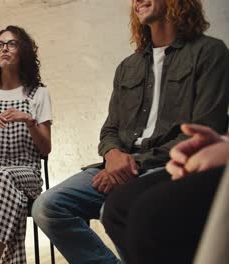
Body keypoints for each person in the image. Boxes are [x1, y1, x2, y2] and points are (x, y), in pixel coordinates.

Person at [31, 0, 228, 263]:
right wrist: (112, 155)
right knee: (47, 207)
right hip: (119, 164)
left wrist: (131, 164)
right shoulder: (127, 67)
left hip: (168, 164)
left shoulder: (210, 52)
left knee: (120, 209)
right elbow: (110, 129)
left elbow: (204, 132)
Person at [0, 25, 52, 264]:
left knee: (4, 178)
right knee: (5, 189)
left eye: (12, 43)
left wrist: (30, 121)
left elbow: (45, 149)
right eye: (0, 44)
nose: (4, 48)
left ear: (22, 51)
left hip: (26, 172)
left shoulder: (38, 94)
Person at [102, 124, 229, 264]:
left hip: (154, 160)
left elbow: (202, 122)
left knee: (150, 213)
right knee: (118, 206)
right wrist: (112, 154)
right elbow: (109, 130)